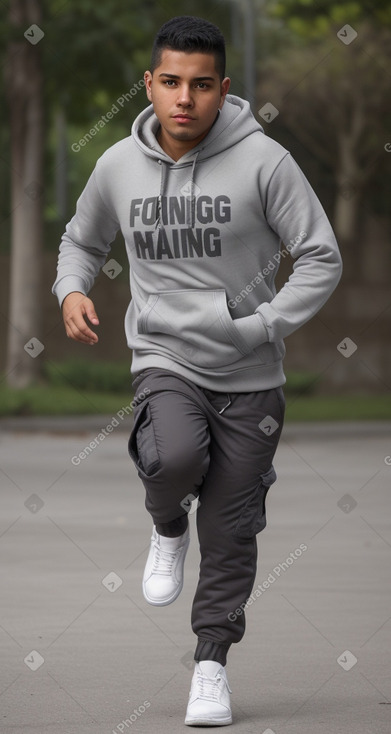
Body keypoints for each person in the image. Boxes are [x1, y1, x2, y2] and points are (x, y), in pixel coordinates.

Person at [53, 15, 342, 726]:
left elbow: (320, 256)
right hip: (164, 357)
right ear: (148, 84)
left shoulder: (264, 162)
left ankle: (210, 664)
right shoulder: (116, 165)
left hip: (249, 377)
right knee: (172, 455)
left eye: (201, 84)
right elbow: (80, 239)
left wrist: (264, 324)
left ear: (223, 88)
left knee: (232, 531)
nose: (185, 98)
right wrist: (71, 289)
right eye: (171, 82)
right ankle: (165, 525)